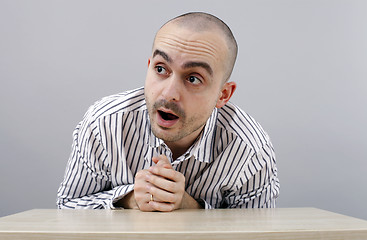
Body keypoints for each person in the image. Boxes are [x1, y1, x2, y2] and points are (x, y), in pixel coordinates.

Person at [57, 12, 279, 211]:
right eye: (161, 69)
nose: (169, 93)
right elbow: (67, 209)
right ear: (149, 67)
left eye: (193, 78)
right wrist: (129, 199)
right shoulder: (104, 124)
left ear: (223, 95)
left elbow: (258, 233)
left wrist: (189, 207)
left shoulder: (250, 150)